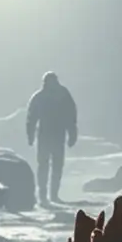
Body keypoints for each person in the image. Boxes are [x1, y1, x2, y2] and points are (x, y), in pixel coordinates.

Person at [25, 71, 79, 205]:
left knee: (54, 166)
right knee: (46, 165)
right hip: (47, 135)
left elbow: (71, 116)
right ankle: (44, 195)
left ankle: (52, 195)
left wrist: (72, 134)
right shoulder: (42, 96)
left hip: (54, 135)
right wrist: (30, 135)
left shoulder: (57, 95)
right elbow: (31, 118)